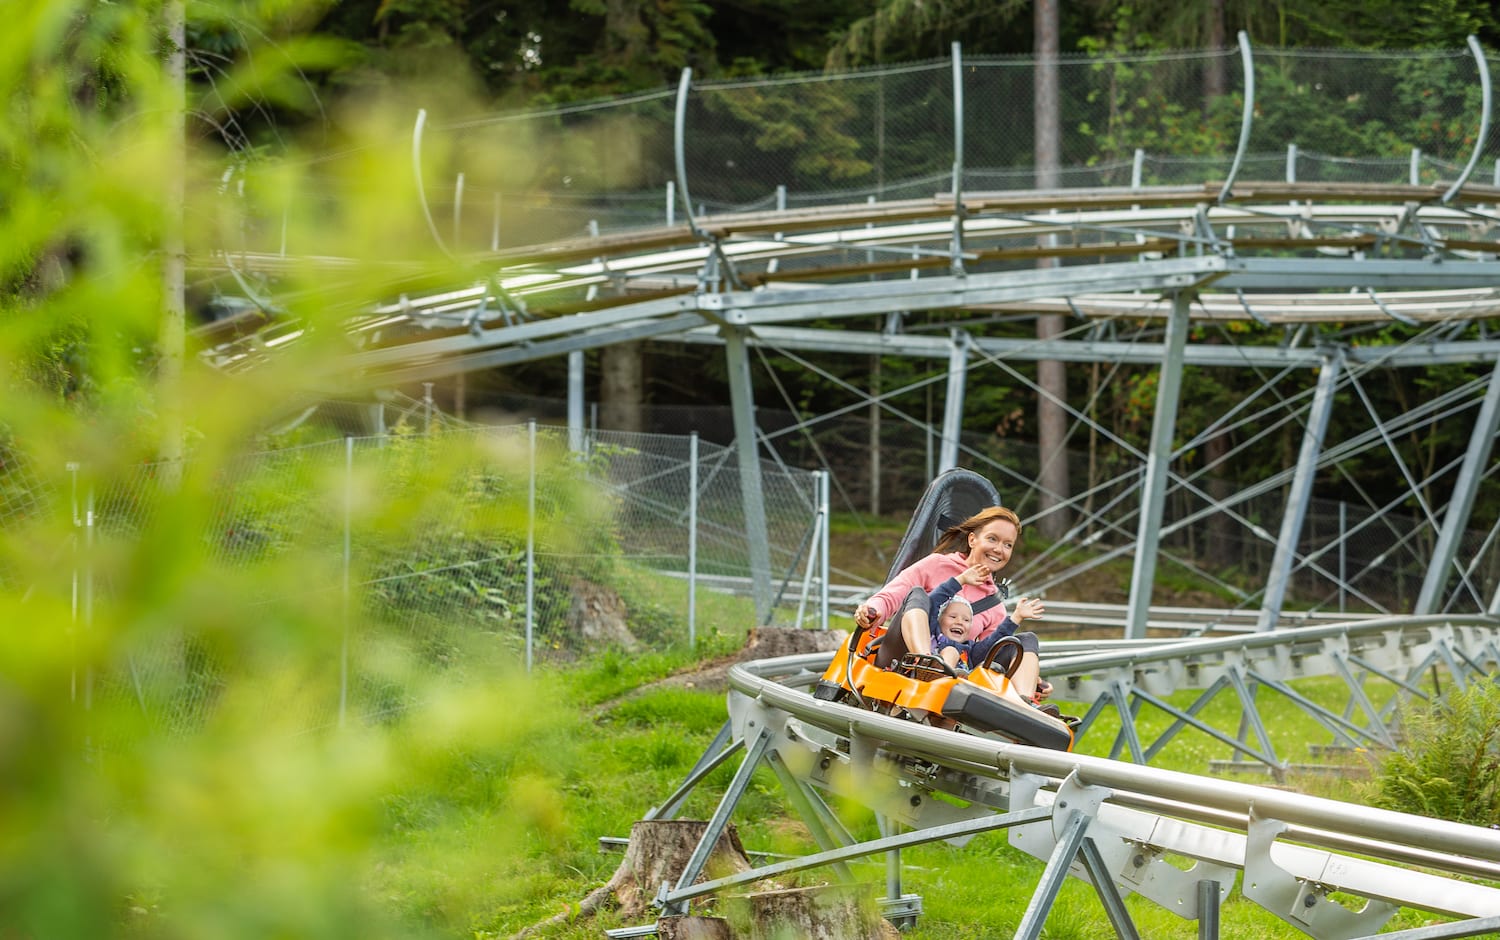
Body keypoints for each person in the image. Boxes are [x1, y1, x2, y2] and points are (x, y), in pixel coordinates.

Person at [853, 506, 1049, 701]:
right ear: (972, 539)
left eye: (1008, 545)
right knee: (918, 594)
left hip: (953, 671)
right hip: (900, 658)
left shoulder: (995, 605)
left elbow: (990, 652)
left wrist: (1028, 673)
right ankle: (925, 663)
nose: (999, 550)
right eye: (992, 539)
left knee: (1023, 641)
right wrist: (872, 610)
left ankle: (1026, 702)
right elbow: (891, 596)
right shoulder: (936, 564)